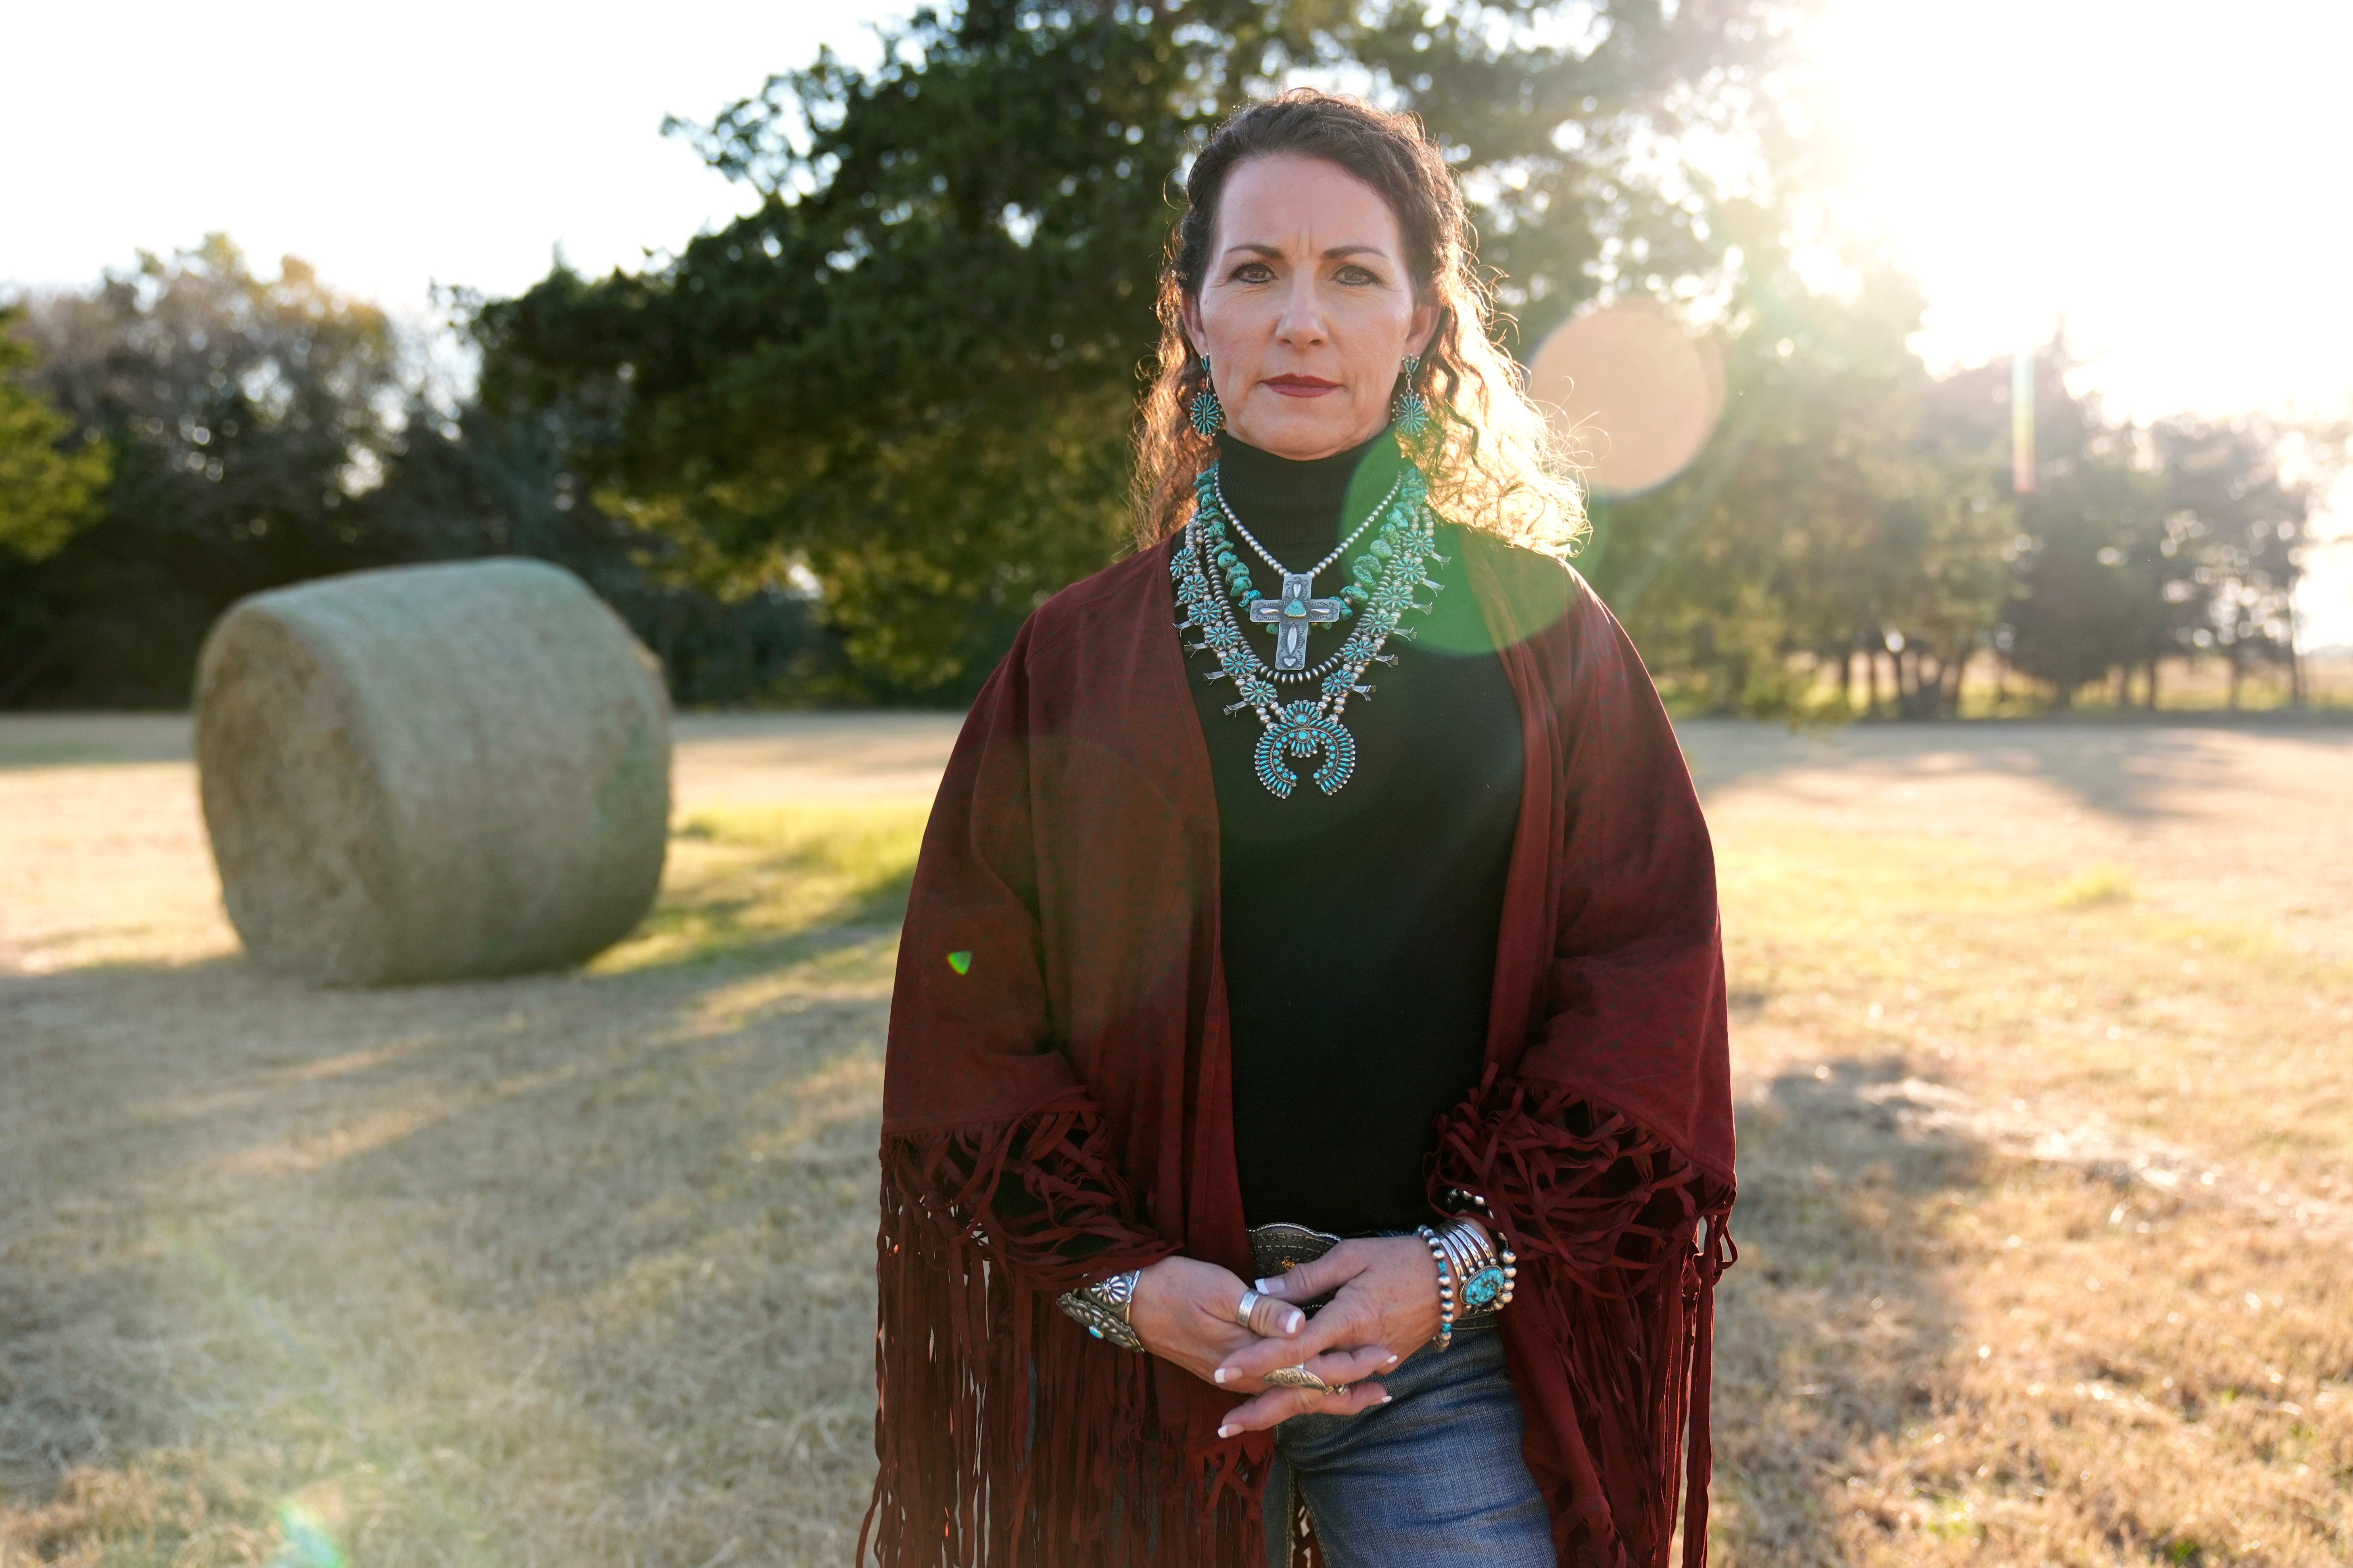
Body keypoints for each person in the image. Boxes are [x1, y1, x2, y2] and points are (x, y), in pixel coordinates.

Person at [865, 90, 1735, 1568]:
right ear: (1191, 316)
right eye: (1254, 271)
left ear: (1421, 322)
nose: (1300, 321)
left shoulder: (1547, 638)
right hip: (1154, 1349)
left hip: (1441, 1347)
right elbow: (972, 1005)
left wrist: (1454, 1272)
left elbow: (1644, 975)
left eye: (1353, 274)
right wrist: (1122, 1286)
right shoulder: (1071, 658)